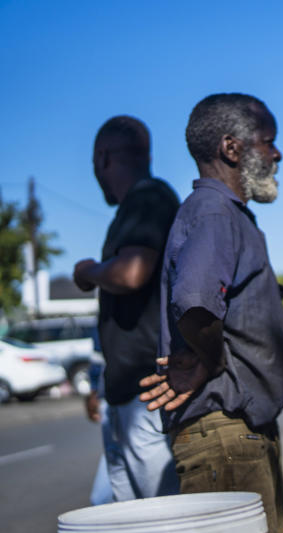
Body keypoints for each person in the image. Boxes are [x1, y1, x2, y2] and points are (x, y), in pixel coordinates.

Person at [138, 93, 283, 533]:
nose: (277, 154)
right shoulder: (213, 213)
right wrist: (206, 362)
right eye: (267, 140)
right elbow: (196, 302)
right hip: (225, 437)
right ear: (231, 148)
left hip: (240, 436)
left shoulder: (225, 216)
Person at [73, 115, 180, 501]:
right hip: (126, 396)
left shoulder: (148, 197)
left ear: (103, 158)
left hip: (146, 397)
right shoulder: (135, 206)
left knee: (167, 528)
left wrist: (88, 271)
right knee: (121, 524)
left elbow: (133, 272)